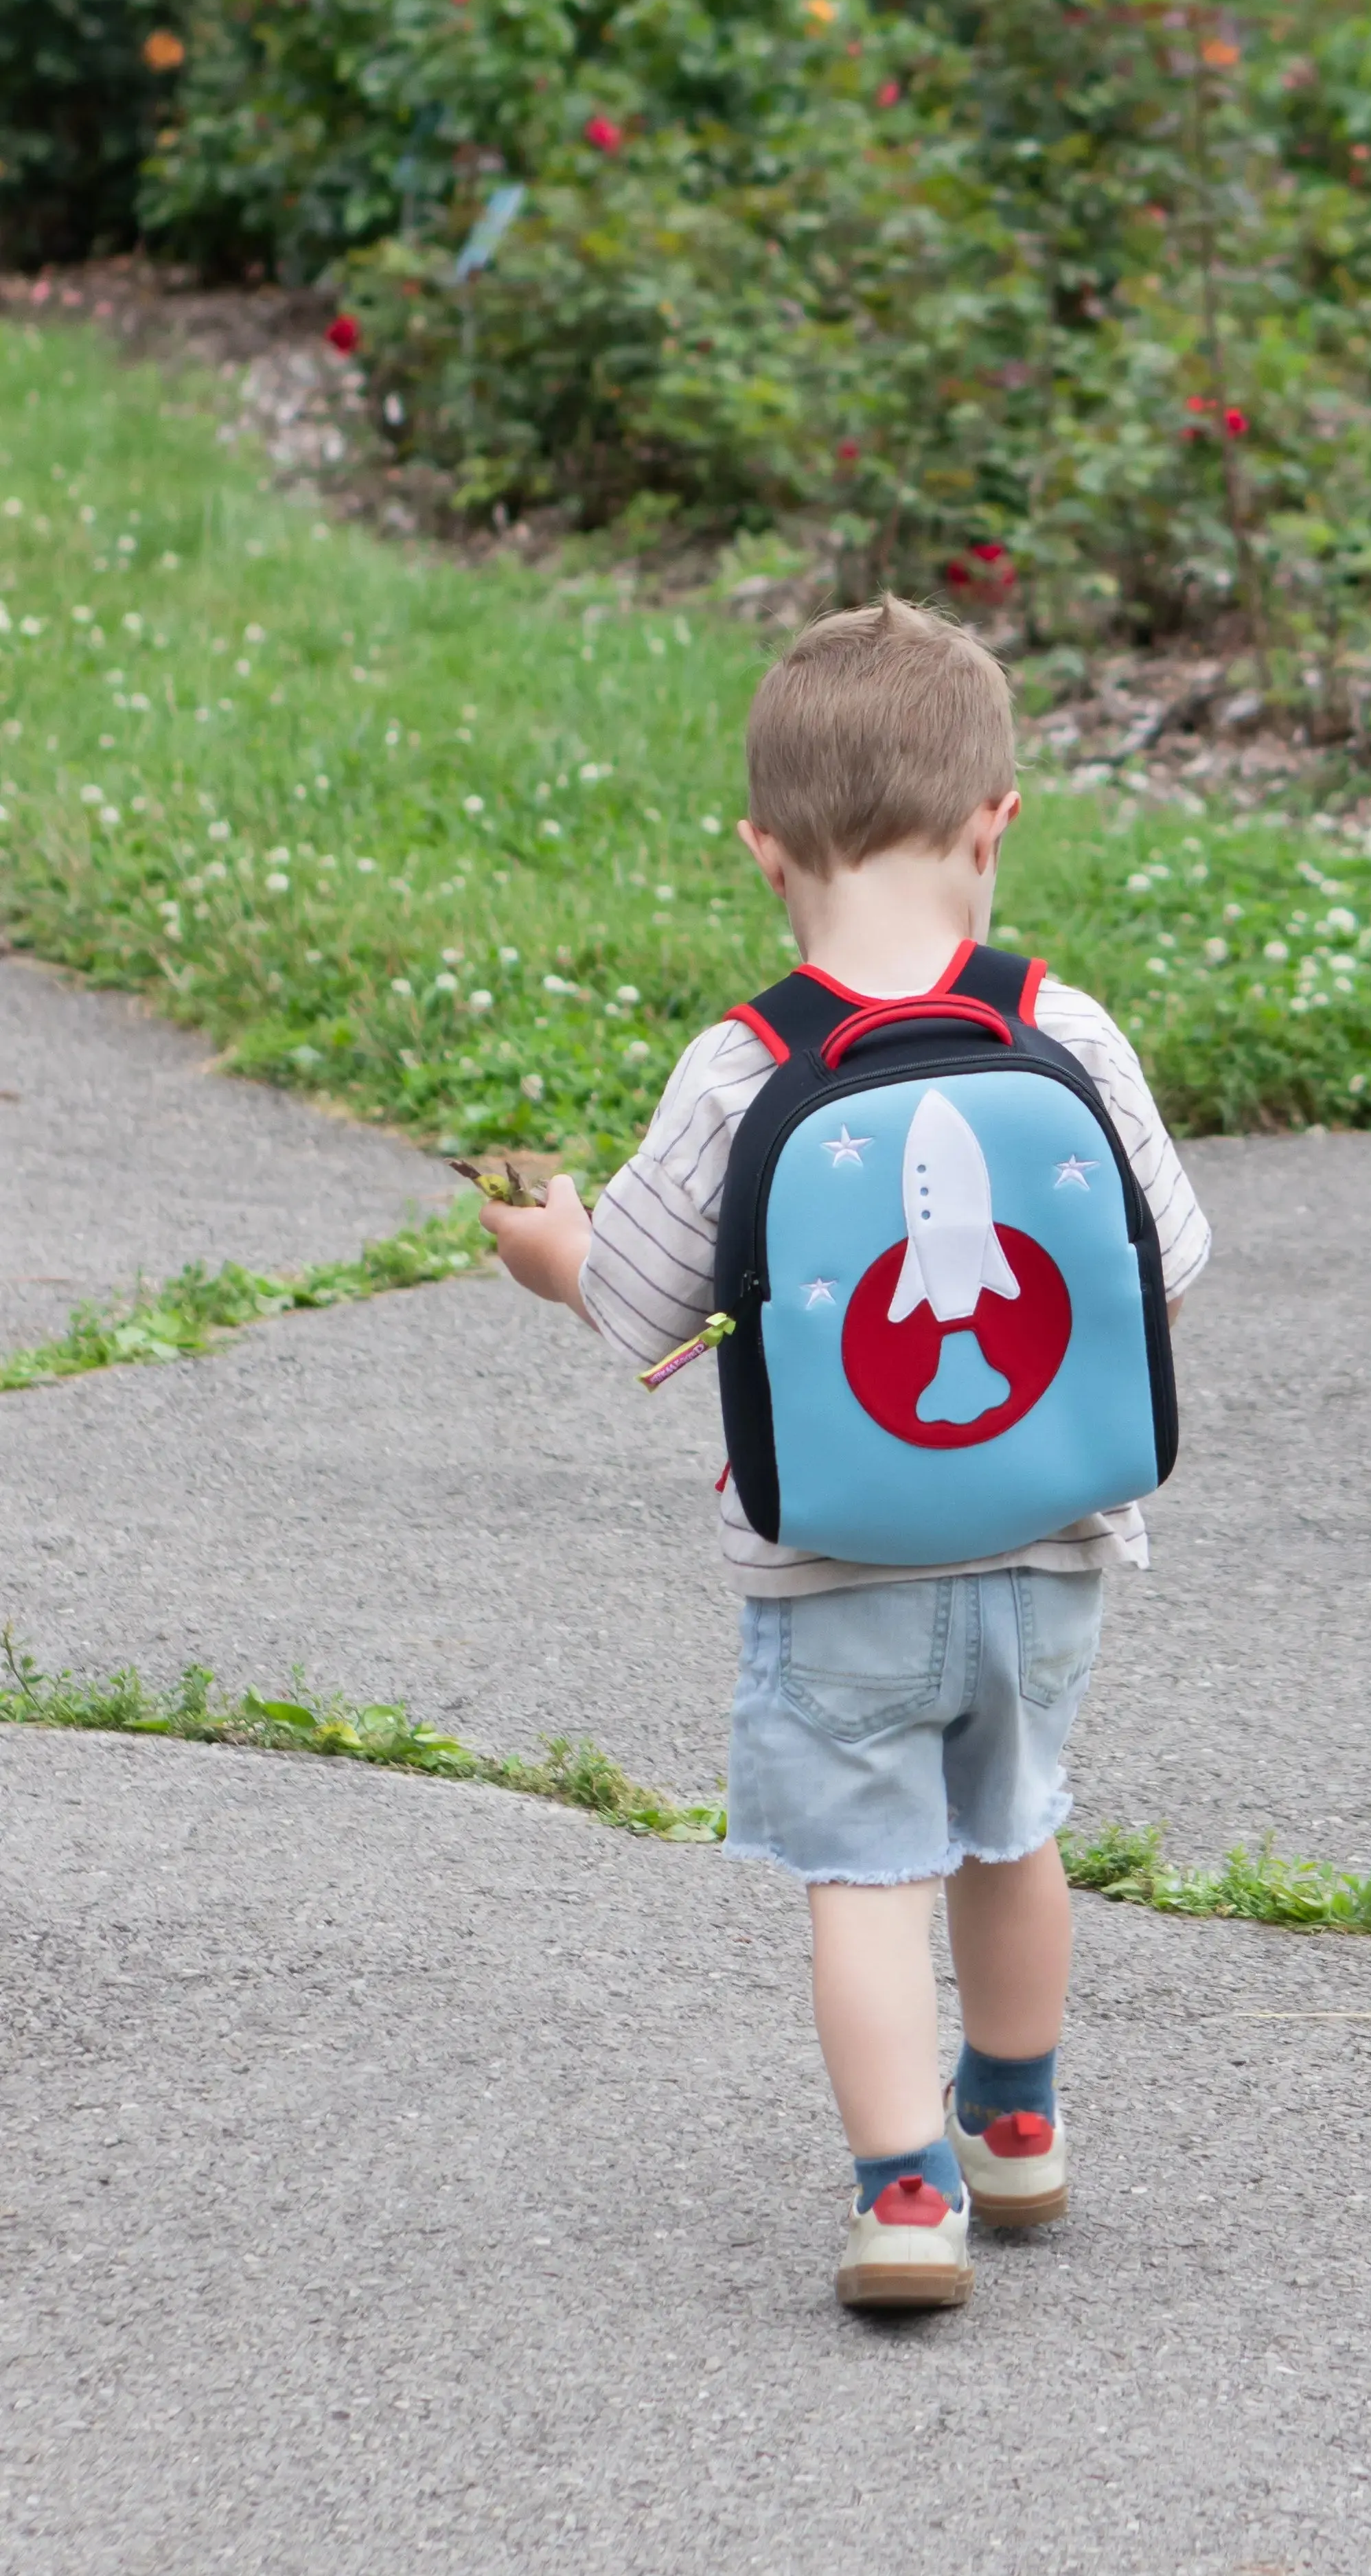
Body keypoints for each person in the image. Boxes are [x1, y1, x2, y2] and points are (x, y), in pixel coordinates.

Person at [481, 597, 1208, 2314]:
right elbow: (1165, 1262)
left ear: (760, 853)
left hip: (831, 1578)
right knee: (1011, 1831)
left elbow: (643, 1312)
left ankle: (906, 2201)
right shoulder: (1068, 1032)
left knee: (866, 1880)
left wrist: (543, 1236)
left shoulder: (746, 1068)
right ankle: (1018, 2130)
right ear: (994, 823)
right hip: (1049, 1544)